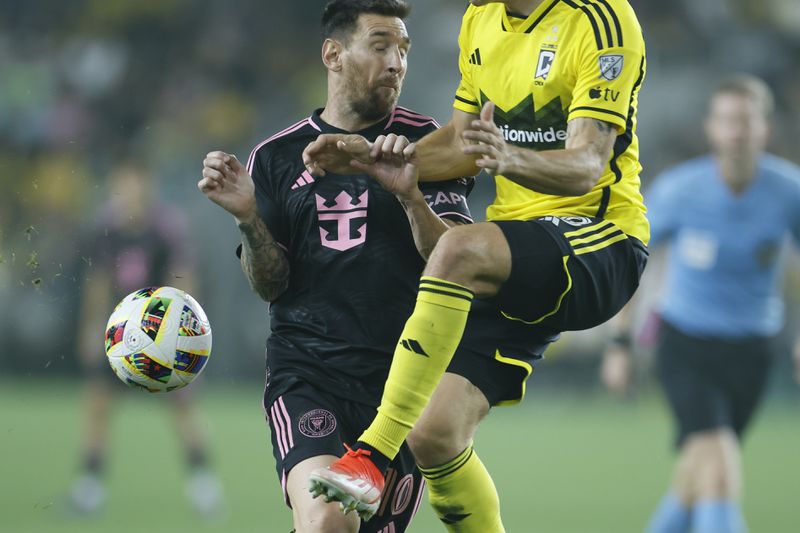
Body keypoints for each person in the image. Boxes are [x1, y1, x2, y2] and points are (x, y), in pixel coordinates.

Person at [303, 0, 649, 530]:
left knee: (459, 249)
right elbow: (464, 142)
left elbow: (587, 165)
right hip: (520, 249)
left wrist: (509, 157)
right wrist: (370, 158)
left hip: (601, 242)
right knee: (433, 434)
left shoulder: (600, 19)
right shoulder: (479, 19)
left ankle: (371, 456)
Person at [197, 1, 474, 531]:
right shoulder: (276, 157)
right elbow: (270, 285)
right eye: (380, 46)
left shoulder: (427, 144)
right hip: (309, 374)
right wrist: (250, 219)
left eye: (403, 49)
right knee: (328, 522)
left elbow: (458, 263)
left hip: (402, 390)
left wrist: (412, 198)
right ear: (333, 54)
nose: (396, 62)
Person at [601, 75, 800, 533]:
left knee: (697, 478)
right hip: (686, 347)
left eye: (747, 121)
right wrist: (620, 343)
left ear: (765, 129)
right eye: (728, 120)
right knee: (721, 467)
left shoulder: (788, 192)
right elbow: (635, 262)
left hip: (753, 352)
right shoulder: (680, 190)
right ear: (711, 128)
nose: (737, 131)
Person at [69, 162, 224, 517]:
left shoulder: (165, 229)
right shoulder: (106, 229)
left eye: (135, 185)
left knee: (183, 408)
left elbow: (184, 277)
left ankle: (204, 487)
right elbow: (99, 281)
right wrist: (91, 326)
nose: (129, 194)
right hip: (121, 339)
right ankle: (89, 489)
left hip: (163, 339)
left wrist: (187, 331)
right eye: (121, 186)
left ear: (147, 187)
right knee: (97, 405)